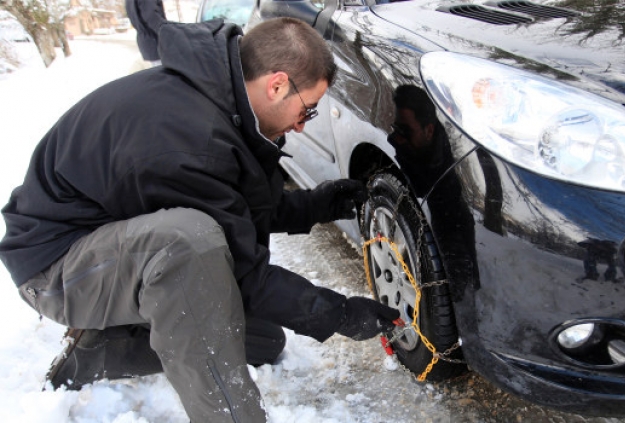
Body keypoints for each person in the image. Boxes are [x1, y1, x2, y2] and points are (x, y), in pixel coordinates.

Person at [0, 17, 400, 422]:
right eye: (307, 110)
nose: (301, 124)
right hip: (57, 267)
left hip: (114, 246)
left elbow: (230, 209)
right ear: (277, 85)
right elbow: (244, 272)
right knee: (186, 245)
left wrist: (318, 205)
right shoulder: (189, 139)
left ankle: (104, 349)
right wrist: (342, 313)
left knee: (261, 339)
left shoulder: (217, 101)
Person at [125, 0, 167, 66]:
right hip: (156, 40)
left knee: (160, 71)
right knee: (167, 72)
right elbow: (152, 18)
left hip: (147, 41)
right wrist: (168, 33)